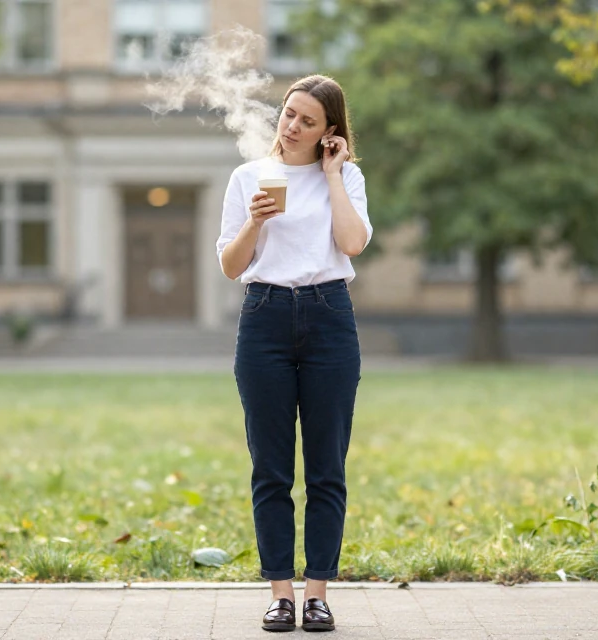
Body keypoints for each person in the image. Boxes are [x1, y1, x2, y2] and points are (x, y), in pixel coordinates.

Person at [215, 74, 372, 633]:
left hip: (330, 316)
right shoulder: (249, 177)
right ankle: (281, 594)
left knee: (327, 468)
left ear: (330, 131)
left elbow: (352, 244)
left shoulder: (345, 176)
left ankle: (318, 594)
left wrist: (331, 175)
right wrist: (255, 222)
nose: (292, 125)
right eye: (288, 113)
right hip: (265, 317)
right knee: (271, 468)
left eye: (307, 120)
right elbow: (232, 267)